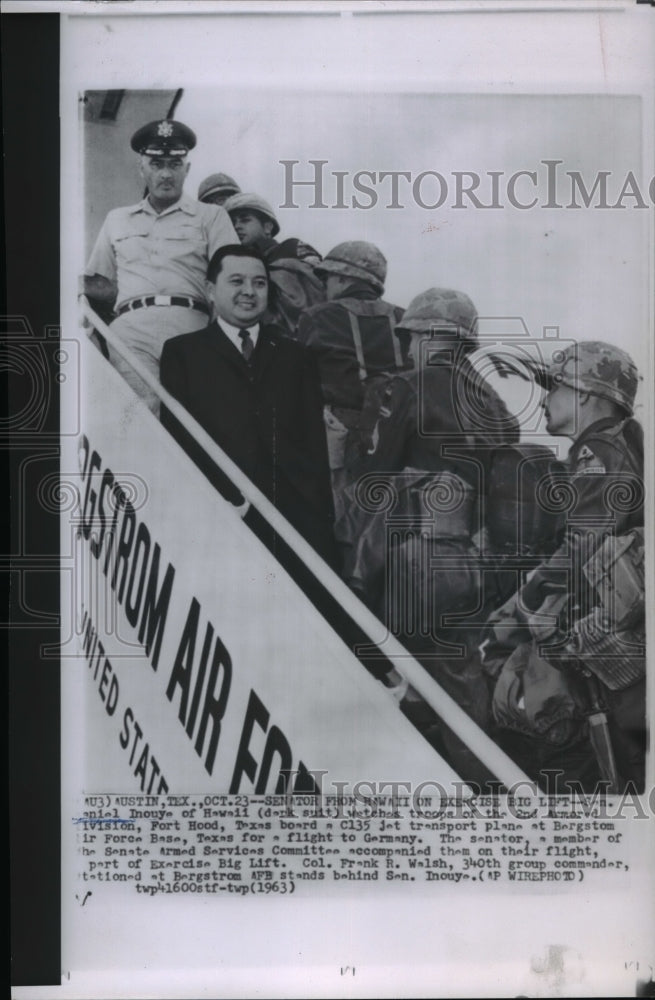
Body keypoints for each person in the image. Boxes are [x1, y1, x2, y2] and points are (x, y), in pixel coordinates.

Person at [341, 288, 520, 783]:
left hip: (413, 554)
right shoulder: (498, 406)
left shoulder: (404, 386)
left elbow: (371, 472)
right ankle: (484, 792)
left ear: (425, 337)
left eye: (412, 337)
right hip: (474, 562)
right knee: (458, 684)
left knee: (394, 680)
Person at [484, 341, 645, 792]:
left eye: (555, 387)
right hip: (614, 635)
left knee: (610, 763)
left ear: (588, 396)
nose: (543, 398)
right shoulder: (623, 443)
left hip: (610, 643)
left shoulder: (600, 452)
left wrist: (520, 608)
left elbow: (582, 548)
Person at [159, 244, 335, 567]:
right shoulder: (182, 354)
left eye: (259, 283)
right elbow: (177, 443)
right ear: (210, 291)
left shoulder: (297, 356)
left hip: (292, 524)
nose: (249, 292)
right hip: (216, 517)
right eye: (236, 281)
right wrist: (210, 501)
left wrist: (320, 523)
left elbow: (315, 448)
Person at [83, 119, 237, 414]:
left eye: (174, 164)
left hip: (191, 325)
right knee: (138, 416)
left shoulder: (211, 216)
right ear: (141, 169)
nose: (166, 173)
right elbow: (101, 283)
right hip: (131, 328)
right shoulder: (117, 219)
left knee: (194, 417)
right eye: (156, 164)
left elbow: (229, 278)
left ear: (187, 169)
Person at [296, 240, 410, 518]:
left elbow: (299, 380)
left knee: (339, 519)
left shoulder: (316, 316)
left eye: (328, 279)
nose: (324, 287)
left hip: (338, 438)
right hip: (396, 439)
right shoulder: (404, 318)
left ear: (344, 277)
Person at [223, 192, 325, 336]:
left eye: (245, 220)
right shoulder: (233, 266)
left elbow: (320, 289)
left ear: (267, 227)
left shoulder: (292, 248)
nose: (237, 226)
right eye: (233, 223)